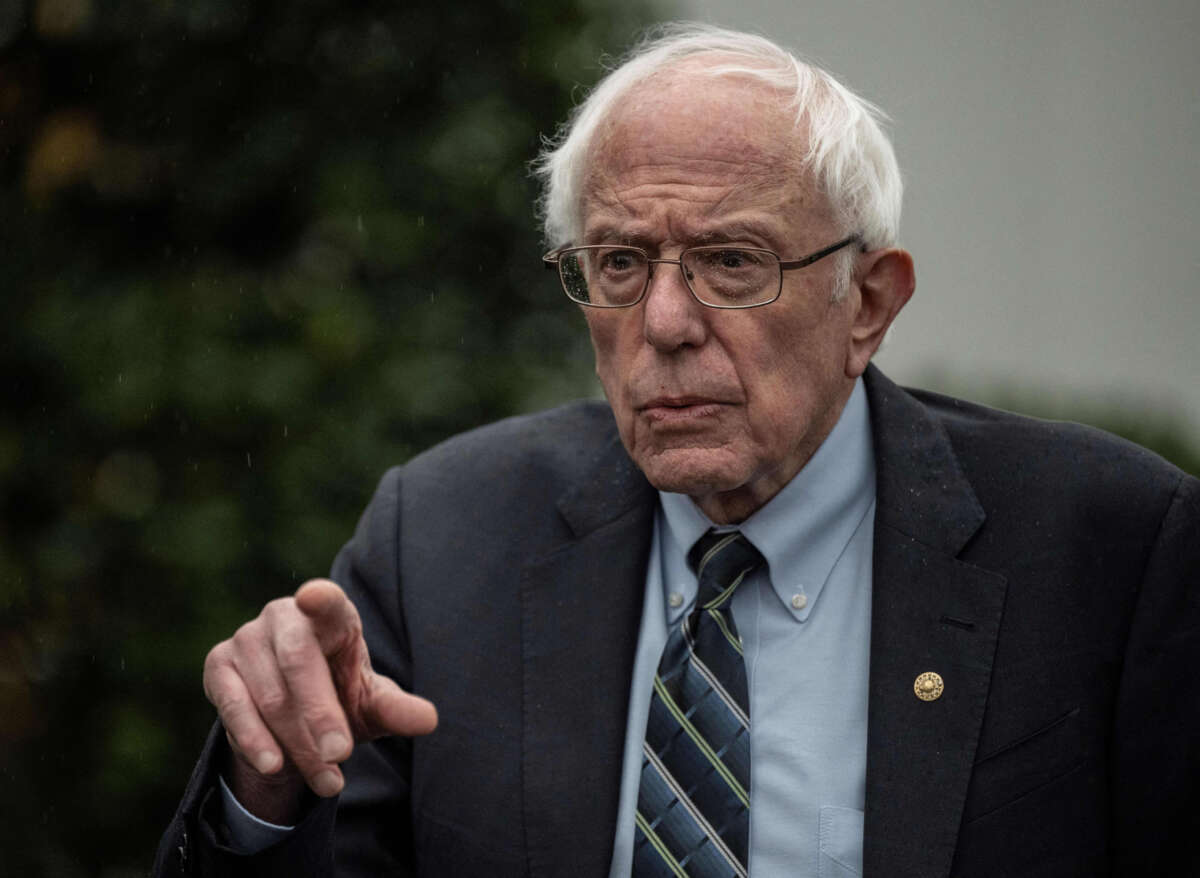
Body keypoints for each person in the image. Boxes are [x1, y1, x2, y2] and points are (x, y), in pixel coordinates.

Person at [154, 23, 1199, 878]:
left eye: (731, 260)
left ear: (868, 303)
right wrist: (268, 790)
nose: (662, 321)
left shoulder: (1110, 546)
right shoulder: (442, 536)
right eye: (618, 261)